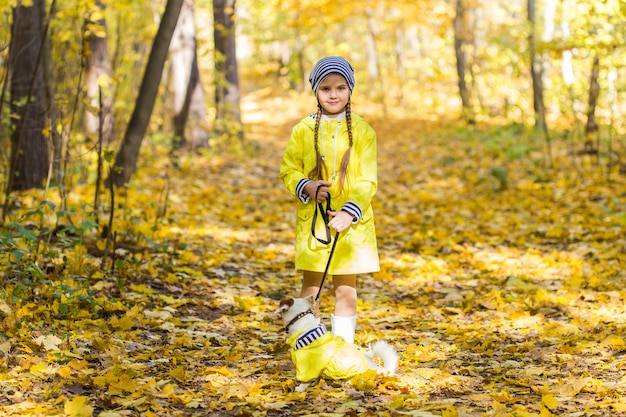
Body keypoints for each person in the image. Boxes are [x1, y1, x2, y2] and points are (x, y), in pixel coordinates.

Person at [279, 56, 379, 344]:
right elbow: (288, 168)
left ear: (350, 89)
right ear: (315, 92)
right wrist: (306, 186)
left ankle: (342, 348)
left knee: (346, 289)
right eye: (325, 89)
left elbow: (368, 180)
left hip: (351, 226)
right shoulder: (303, 130)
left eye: (339, 88)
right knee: (312, 287)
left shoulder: (363, 131)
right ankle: (309, 344)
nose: (333, 95)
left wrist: (350, 211)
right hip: (315, 222)